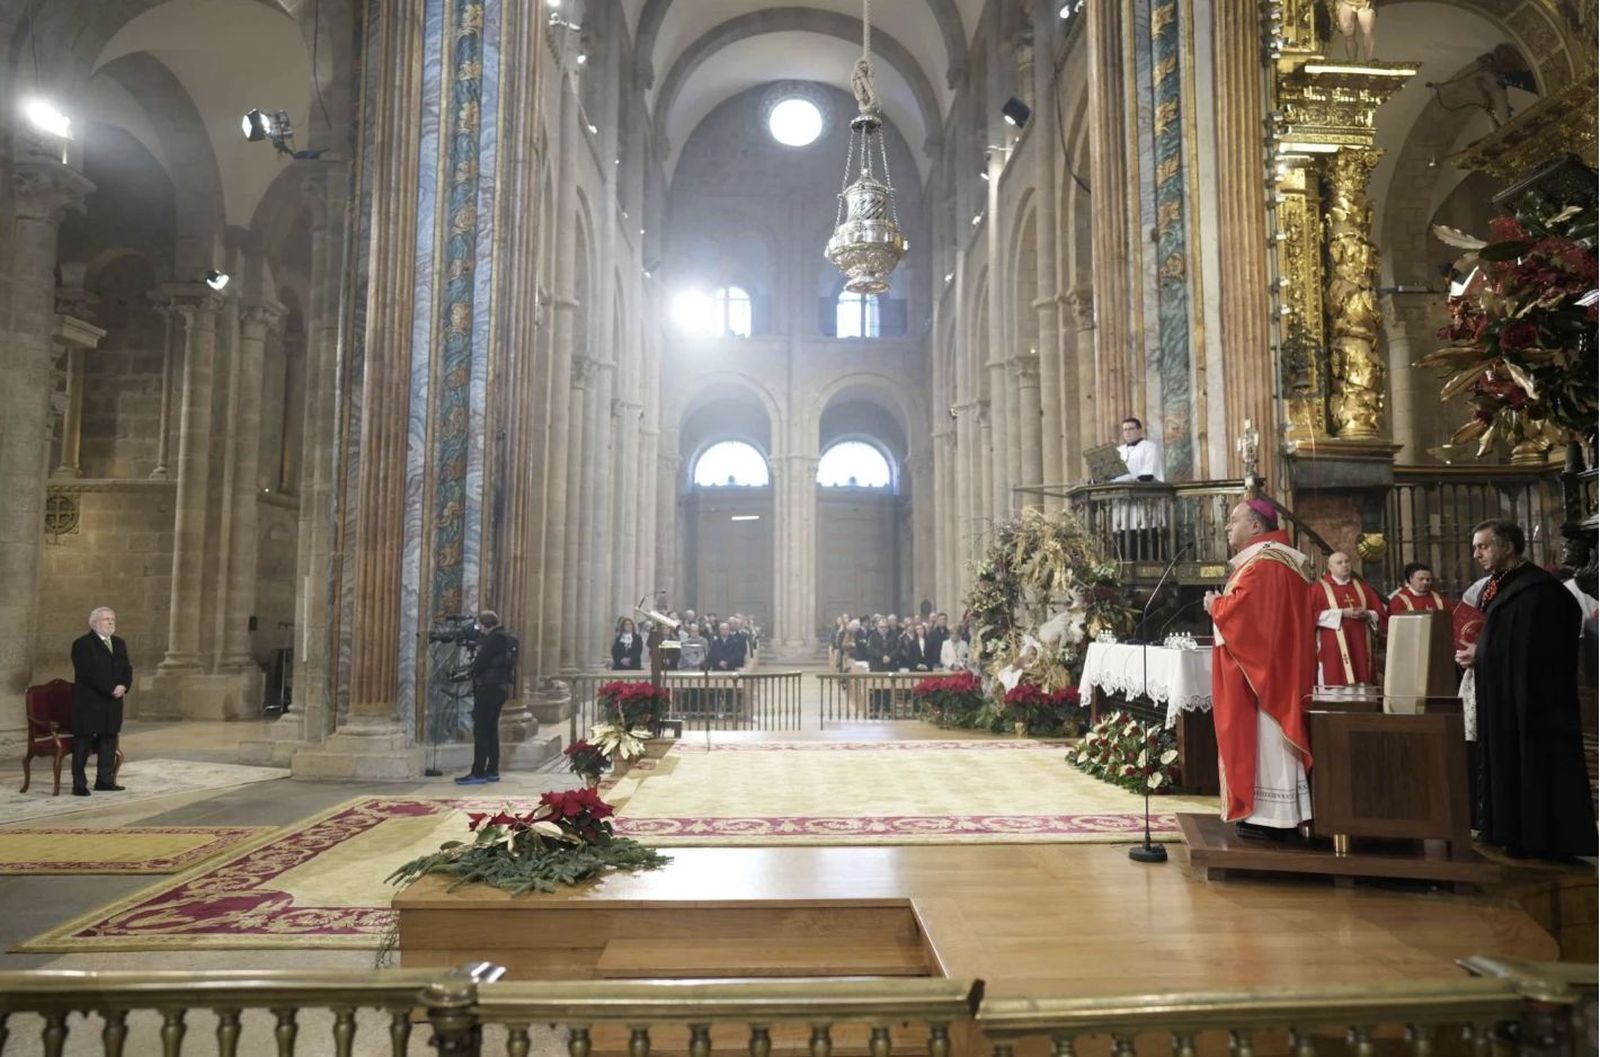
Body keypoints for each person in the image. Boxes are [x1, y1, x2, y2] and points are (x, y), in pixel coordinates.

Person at [1455, 520, 1595, 858]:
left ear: (1507, 547)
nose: (1476, 554)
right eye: (1475, 547)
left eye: (1483, 546)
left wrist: (1482, 654)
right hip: (1502, 696)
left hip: (1534, 704)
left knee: (1532, 767)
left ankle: (1535, 837)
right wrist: (1479, 653)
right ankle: (1502, 828)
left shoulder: (1539, 591)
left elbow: (1533, 650)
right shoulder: (1498, 585)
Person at [1203, 499, 1316, 839]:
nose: (1227, 527)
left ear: (1255, 526)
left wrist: (1215, 604)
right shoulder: (1276, 560)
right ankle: (1276, 816)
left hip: (1264, 680)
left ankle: (1270, 818)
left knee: (1266, 744)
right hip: (1276, 669)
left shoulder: (1264, 564)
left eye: (1234, 520)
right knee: (1271, 747)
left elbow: (1246, 617)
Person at [69, 607, 132, 796]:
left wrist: (123, 685)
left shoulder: (119, 643)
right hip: (90, 702)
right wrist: (110, 689)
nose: (111, 622)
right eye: (106, 619)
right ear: (94, 623)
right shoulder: (82, 644)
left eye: (112, 618)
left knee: (109, 740)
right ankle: (79, 784)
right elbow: (86, 673)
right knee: (83, 742)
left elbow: (127, 668)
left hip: (113, 702)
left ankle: (104, 781)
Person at [1312, 551, 1387, 686]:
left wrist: (1367, 614)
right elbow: (1311, 616)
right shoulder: (1319, 589)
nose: (1345, 565)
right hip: (1332, 647)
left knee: (1361, 684)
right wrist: (1342, 613)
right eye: (1339, 563)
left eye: (1347, 561)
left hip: (1360, 644)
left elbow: (1380, 613)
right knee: (1336, 685)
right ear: (1330, 567)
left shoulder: (1362, 587)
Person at [457, 611, 514, 786]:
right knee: (491, 729)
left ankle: (478, 772)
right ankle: (492, 770)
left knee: (481, 730)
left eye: (480, 626)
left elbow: (480, 663)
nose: (479, 630)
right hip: (501, 687)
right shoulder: (508, 637)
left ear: (485, 625)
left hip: (489, 687)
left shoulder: (494, 639)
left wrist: (471, 670)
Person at [1112, 417, 1165, 561]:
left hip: (1143, 501)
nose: (1127, 432)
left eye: (1131, 429)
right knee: (1123, 537)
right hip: (1122, 504)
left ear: (1139, 430)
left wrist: (1133, 481)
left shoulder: (1149, 447)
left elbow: (1149, 473)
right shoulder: (1118, 451)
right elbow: (1110, 476)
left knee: (1144, 535)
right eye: (1125, 430)